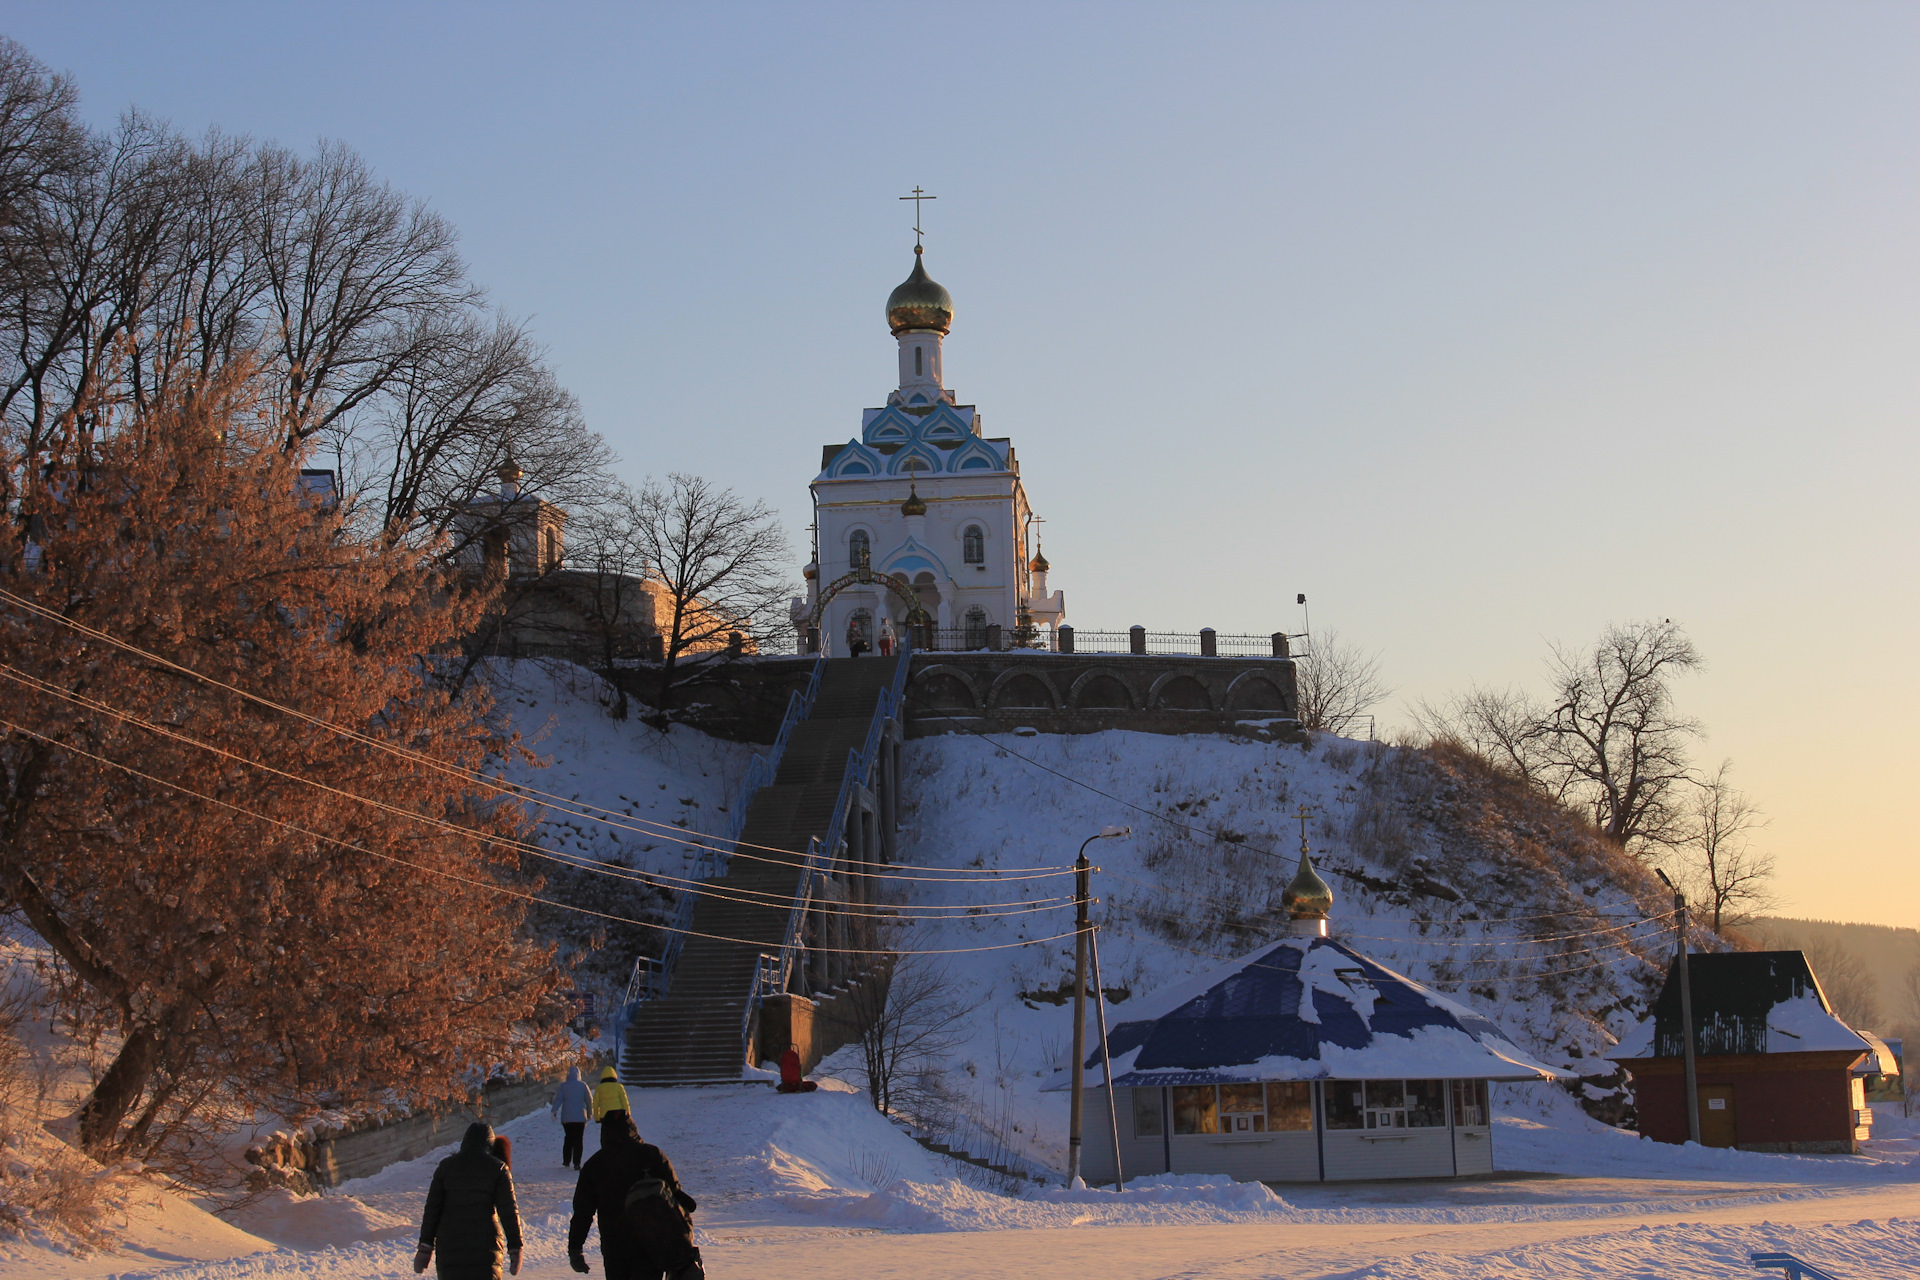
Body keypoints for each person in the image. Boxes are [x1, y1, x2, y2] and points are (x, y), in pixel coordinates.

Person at [568, 1113, 701, 1280]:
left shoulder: (595, 1165)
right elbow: (676, 1194)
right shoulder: (652, 1155)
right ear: (633, 1128)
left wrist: (575, 1249)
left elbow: (583, 1213)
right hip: (653, 1241)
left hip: (615, 1246)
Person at [415, 1121, 523, 1280]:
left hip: (450, 1245)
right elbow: (508, 1211)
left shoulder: (445, 1167)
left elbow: (432, 1209)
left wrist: (425, 1247)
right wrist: (515, 1247)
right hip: (485, 1247)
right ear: (490, 1145)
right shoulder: (498, 1168)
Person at [552, 1065, 592, 1168]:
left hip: (567, 1119)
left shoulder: (564, 1086)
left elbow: (558, 1100)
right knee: (578, 1140)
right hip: (580, 1119)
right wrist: (589, 1113)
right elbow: (589, 1101)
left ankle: (566, 1161)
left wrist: (554, 1110)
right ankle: (577, 1163)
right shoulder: (583, 1085)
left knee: (568, 1138)